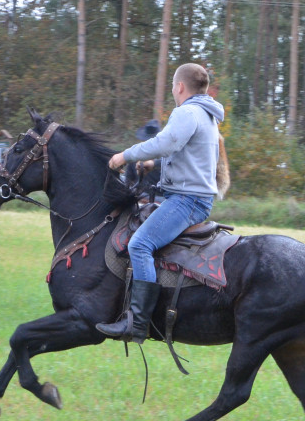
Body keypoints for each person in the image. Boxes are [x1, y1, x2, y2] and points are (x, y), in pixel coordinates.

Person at [96, 63, 225, 343]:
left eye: (172, 86)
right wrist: (154, 163)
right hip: (194, 196)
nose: (172, 90)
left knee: (139, 244)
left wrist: (124, 156)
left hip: (187, 200)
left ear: (179, 87)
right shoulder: (206, 114)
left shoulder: (187, 111)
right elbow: (185, 152)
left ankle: (136, 323)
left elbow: (167, 142)